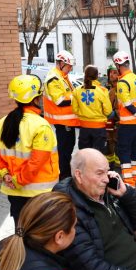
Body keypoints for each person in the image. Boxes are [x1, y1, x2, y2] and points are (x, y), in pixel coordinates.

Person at [0, 74, 59, 225]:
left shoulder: (1, 123)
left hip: (13, 191)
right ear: (36, 98)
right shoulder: (40, 125)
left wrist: (5, 174)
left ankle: (20, 249)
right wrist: (18, 180)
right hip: (39, 193)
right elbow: (37, 162)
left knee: (20, 228)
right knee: (40, 232)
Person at [113, 51, 136, 186]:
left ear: (118, 65)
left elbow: (127, 104)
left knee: (124, 150)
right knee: (135, 149)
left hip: (128, 123)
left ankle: (128, 180)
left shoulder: (122, 82)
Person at [44, 50, 79, 180]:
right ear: (60, 64)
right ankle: (64, 177)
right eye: (68, 66)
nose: (70, 69)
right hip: (62, 122)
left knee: (67, 150)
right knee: (64, 152)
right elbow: (59, 101)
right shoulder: (53, 79)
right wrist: (77, 98)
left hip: (67, 122)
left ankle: (65, 175)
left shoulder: (62, 76)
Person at [72, 65, 112, 154]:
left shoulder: (77, 90)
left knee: (85, 155)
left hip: (84, 129)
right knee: (97, 156)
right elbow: (108, 111)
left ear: (85, 75)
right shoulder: (102, 90)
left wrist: (84, 113)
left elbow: (74, 109)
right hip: (99, 129)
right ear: (97, 76)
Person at [105, 65, 120, 169]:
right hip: (111, 122)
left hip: (117, 122)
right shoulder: (111, 89)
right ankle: (111, 163)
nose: (111, 74)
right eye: (110, 72)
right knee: (110, 142)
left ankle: (117, 164)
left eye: (114, 72)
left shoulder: (119, 89)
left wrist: (115, 113)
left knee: (116, 142)